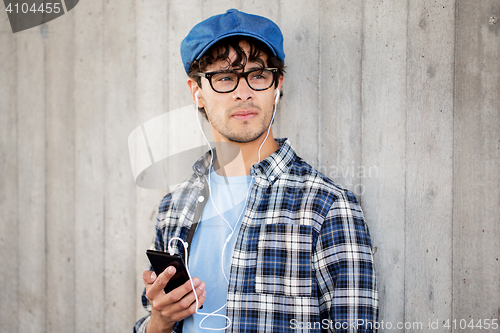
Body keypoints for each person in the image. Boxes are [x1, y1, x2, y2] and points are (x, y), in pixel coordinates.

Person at [134, 9, 378, 333]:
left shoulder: (326, 207)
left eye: (258, 74)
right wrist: (159, 321)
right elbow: (155, 322)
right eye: (224, 78)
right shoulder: (174, 207)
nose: (243, 91)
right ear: (197, 93)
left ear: (276, 85)